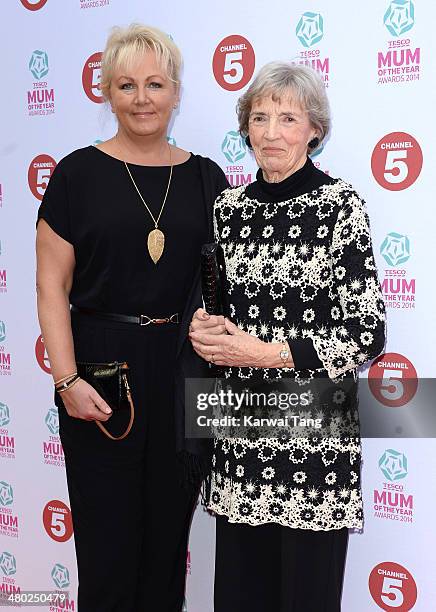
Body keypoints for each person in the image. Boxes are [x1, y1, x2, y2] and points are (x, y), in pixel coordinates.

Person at [36, 24, 227, 612]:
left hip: (183, 371)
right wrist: (67, 381)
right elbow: (51, 284)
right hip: (99, 369)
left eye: (155, 84)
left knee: (168, 545)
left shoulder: (207, 178)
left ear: (176, 92)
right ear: (106, 93)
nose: (142, 98)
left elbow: (222, 287)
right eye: (127, 85)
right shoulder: (75, 175)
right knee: (107, 545)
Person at [189, 62, 386, 611]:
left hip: (315, 443)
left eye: (288, 118)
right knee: (239, 595)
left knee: (307, 596)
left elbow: (367, 332)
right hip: (242, 434)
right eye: (259, 117)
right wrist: (207, 329)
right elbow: (221, 310)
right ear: (245, 127)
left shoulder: (338, 206)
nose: (271, 132)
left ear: (314, 130)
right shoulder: (228, 210)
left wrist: (268, 353)